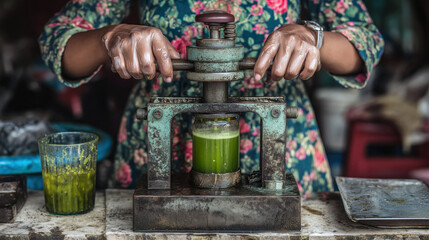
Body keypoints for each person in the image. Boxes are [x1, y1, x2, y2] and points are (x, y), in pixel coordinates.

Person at [39, 0, 384, 197]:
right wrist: (109, 37)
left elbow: (365, 41)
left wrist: (313, 38)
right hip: (161, 146)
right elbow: (59, 42)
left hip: (280, 152)